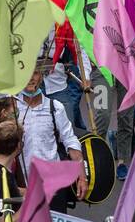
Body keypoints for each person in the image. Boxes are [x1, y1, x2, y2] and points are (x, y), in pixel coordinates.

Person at [13, 65, 86, 203]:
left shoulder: (55, 107)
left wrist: (82, 177)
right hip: (23, 187)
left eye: (34, 73)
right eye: (25, 73)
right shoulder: (12, 109)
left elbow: (70, 140)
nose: (30, 78)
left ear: (41, 76)